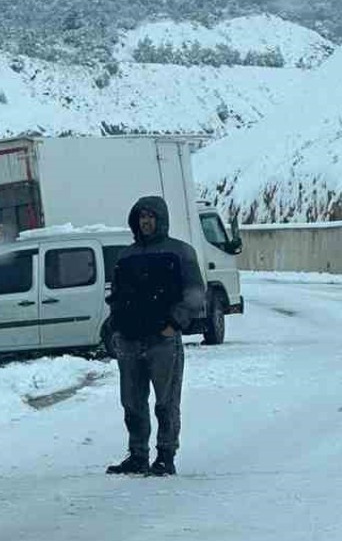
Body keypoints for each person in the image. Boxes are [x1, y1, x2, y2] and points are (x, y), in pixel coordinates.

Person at [104, 196, 206, 477]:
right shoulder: (126, 256)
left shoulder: (180, 252)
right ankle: (137, 454)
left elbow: (195, 293)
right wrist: (115, 326)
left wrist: (175, 324)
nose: (146, 221)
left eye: (150, 216)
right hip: (129, 340)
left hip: (163, 341)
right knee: (132, 402)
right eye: (141, 217)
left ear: (161, 219)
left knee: (166, 402)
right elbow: (117, 295)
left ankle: (165, 455)